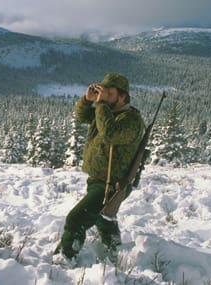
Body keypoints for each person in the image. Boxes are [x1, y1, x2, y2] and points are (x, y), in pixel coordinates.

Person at [53, 72, 145, 264]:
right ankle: (113, 247)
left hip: (112, 184)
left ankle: (64, 258)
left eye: (109, 94)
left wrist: (101, 105)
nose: (104, 97)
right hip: (98, 178)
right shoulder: (108, 114)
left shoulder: (131, 120)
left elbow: (110, 134)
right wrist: (88, 100)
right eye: (104, 93)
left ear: (123, 96)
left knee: (76, 219)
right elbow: (82, 116)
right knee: (102, 217)